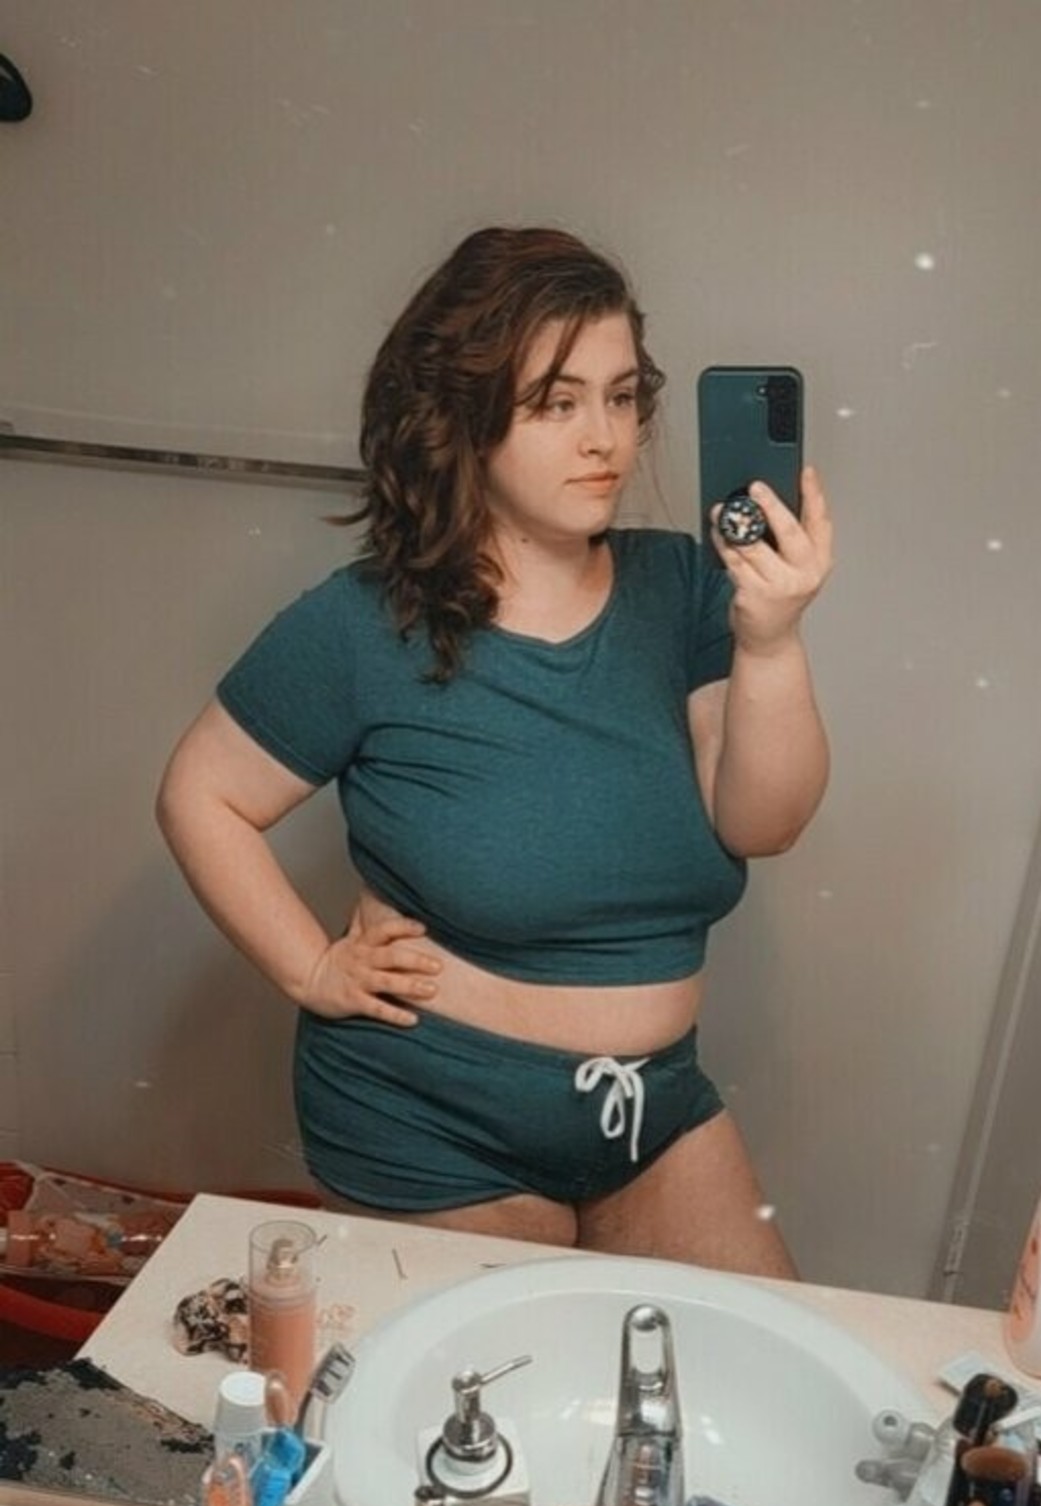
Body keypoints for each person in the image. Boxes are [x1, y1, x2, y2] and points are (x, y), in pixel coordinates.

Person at [156, 225, 832, 1274]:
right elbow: (201, 795)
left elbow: (764, 823)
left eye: (621, 397)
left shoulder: (688, 586)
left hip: (649, 1107)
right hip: (426, 1119)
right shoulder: (362, 624)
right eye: (557, 403)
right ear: (464, 417)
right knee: (505, 1378)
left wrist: (773, 639)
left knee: (758, 1354)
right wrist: (313, 966)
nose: (605, 438)